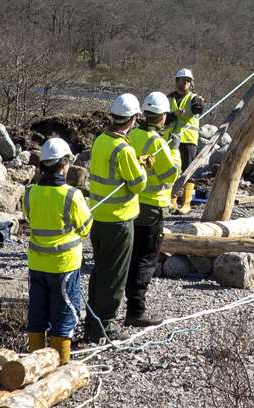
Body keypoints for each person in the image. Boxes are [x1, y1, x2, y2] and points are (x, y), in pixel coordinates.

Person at [84, 93, 147, 343]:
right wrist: (143, 167)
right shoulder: (123, 149)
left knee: (100, 272)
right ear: (132, 119)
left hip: (99, 218)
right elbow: (138, 185)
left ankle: (92, 321)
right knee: (115, 276)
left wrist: (136, 163)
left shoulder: (100, 140)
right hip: (119, 221)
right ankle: (105, 325)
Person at [23, 137, 91, 364]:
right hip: (64, 266)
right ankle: (61, 367)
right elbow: (85, 228)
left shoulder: (29, 193)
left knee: (37, 313)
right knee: (64, 316)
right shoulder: (72, 195)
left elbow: (30, 218)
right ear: (64, 164)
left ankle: (34, 364)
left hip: (37, 265)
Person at [125, 92, 180, 326]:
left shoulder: (132, 135)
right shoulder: (157, 142)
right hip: (152, 207)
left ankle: (127, 306)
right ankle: (136, 311)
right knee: (145, 260)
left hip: (132, 205)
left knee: (132, 257)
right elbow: (170, 175)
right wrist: (175, 150)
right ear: (163, 117)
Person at [168, 68, 205, 214]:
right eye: (182, 80)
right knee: (172, 171)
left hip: (188, 140)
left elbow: (197, 109)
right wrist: (174, 114)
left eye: (188, 81)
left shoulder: (194, 98)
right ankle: (172, 200)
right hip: (172, 140)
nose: (185, 83)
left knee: (188, 171)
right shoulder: (169, 99)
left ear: (191, 84)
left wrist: (200, 104)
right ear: (176, 81)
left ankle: (186, 203)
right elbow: (164, 118)